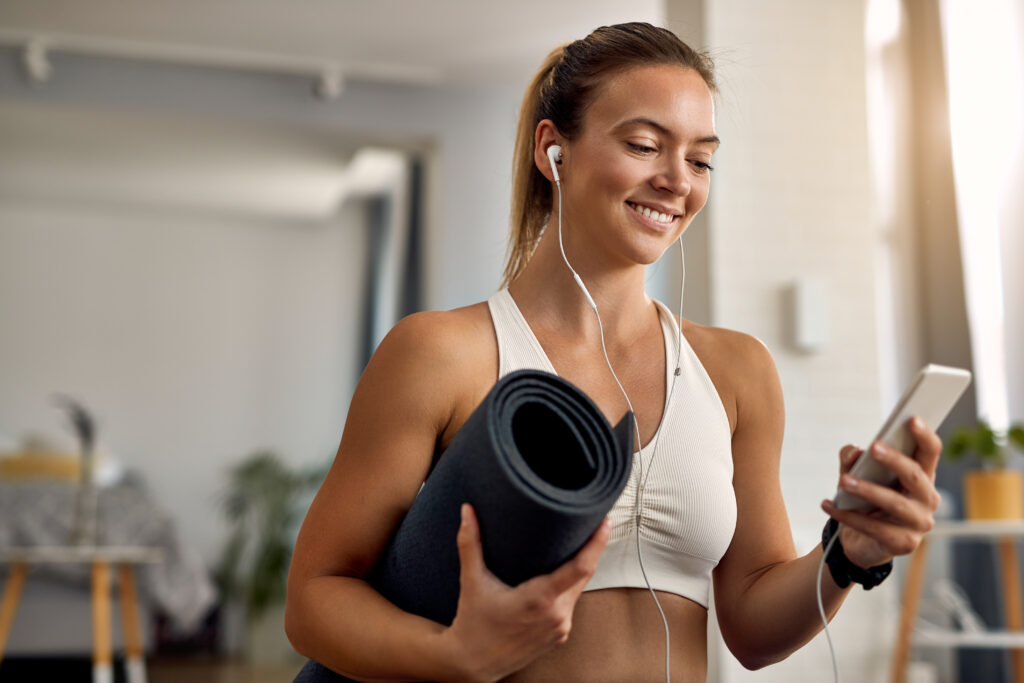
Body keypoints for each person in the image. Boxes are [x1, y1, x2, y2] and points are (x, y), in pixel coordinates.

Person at [285, 22, 942, 683]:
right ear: (554, 150)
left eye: (700, 159)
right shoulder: (441, 355)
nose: (676, 181)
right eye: (644, 145)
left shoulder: (737, 372)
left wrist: (846, 556)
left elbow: (751, 627)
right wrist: (451, 656)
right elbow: (314, 598)